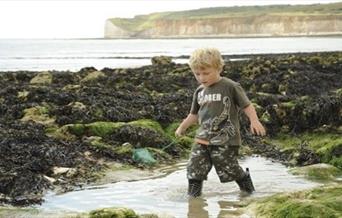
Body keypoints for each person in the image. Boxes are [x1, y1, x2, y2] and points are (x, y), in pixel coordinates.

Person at [175, 48, 266, 197]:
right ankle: (193, 198)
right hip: (202, 138)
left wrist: (254, 121)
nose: (201, 77)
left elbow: (247, 105)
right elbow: (194, 114)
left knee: (228, 168)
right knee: (194, 168)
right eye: (197, 74)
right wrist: (182, 127)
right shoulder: (199, 91)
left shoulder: (230, 86)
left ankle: (247, 188)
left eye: (206, 73)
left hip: (225, 139)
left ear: (219, 68)